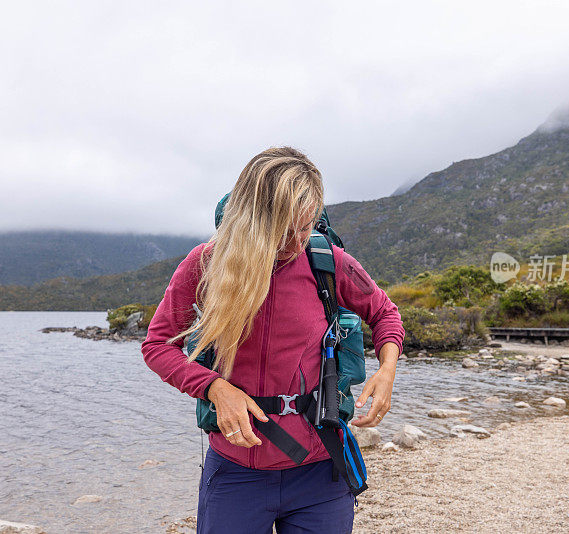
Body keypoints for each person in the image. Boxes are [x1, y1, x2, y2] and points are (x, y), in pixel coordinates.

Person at [141, 146, 404, 533]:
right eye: (286, 230)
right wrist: (215, 388)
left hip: (321, 471)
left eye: (307, 226)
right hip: (235, 474)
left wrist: (387, 368)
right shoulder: (205, 264)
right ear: (253, 219)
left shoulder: (326, 262)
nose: (299, 242)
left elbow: (385, 313)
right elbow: (158, 344)